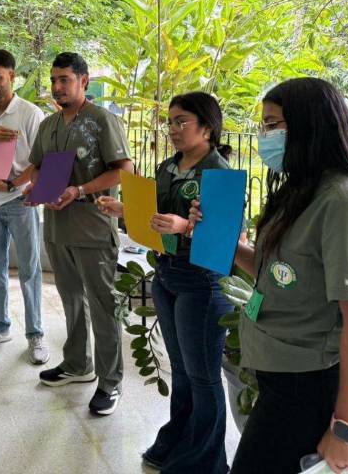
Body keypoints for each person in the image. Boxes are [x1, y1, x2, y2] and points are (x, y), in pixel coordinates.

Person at [191, 78, 348, 474]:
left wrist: (345, 429)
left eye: (273, 125)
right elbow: (275, 273)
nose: (264, 136)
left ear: (309, 126)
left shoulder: (346, 204)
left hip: (308, 385)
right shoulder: (302, 192)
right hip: (280, 378)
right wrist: (219, 237)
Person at [98, 92, 235, 472]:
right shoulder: (167, 167)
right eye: (170, 122)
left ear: (207, 127)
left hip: (201, 283)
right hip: (167, 276)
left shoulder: (219, 173)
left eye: (182, 121)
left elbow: (226, 238)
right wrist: (124, 209)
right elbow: (155, 215)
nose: (173, 129)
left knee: (204, 377)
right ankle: (180, 438)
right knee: (182, 369)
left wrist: (185, 227)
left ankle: (207, 462)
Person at [26, 52, 133, 416]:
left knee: (103, 306)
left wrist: (80, 189)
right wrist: (38, 189)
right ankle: (77, 364)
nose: (57, 87)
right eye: (53, 80)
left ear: (84, 81)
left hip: (93, 228)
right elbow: (37, 167)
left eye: (65, 80)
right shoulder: (49, 126)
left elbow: (124, 170)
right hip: (57, 227)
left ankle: (110, 381)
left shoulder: (102, 121)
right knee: (70, 299)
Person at [0, 49, 49, 364]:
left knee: (29, 270)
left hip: (21, 201)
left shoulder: (30, 113)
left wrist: (14, 184)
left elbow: (40, 161)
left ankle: (36, 335)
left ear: (12, 76)